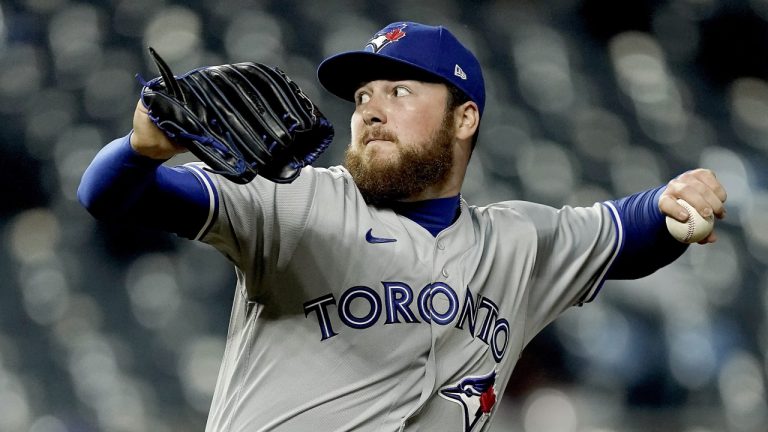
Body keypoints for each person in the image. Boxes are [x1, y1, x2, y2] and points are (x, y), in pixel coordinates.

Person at [78, 21, 727, 432]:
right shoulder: (290, 203)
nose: (371, 110)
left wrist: (681, 201)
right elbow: (111, 194)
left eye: (400, 91)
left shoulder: (519, 242)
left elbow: (631, 232)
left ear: (465, 118)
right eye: (362, 96)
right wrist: (141, 147)